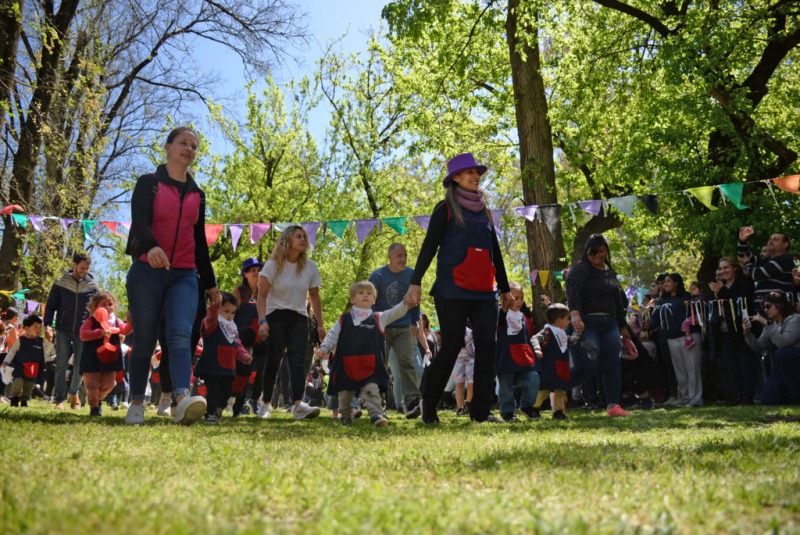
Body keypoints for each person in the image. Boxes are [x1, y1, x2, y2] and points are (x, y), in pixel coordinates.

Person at [404, 152, 512, 424]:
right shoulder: (446, 208)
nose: (475, 176)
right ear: (456, 178)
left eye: (477, 173)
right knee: (451, 346)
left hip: (484, 292)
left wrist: (505, 287)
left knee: (488, 346)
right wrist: (415, 282)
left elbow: (494, 252)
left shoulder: (485, 212)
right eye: (469, 173)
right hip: (452, 289)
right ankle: (428, 405)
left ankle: (481, 411)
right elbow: (429, 246)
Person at [124, 126, 219, 425]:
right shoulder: (148, 184)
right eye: (183, 143)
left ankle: (182, 400)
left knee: (180, 336)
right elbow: (138, 222)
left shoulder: (197, 195)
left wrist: (211, 284)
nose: (189, 149)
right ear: (167, 147)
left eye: (194, 145)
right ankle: (136, 402)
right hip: (146, 272)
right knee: (145, 339)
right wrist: (151, 247)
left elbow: (200, 242)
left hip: (184, 275)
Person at [256, 225, 326, 420]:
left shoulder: (310, 266)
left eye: (304, 236)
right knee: (273, 360)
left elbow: (314, 296)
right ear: (287, 240)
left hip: (299, 318)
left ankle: (298, 405)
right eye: (298, 236)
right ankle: (266, 403)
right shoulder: (272, 265)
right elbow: (261, 297)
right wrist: (262, 321)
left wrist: (320, 324)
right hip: (275, 316)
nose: (303, 239)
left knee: (297, 361)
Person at [317, 281, 409, 426]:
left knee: (372, 390)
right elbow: (332, 335)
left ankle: (376, 415)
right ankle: (346, 415)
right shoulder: (344, 319)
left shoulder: (379, 318)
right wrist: (324, 348)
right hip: (347, 365)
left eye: (369, 293)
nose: (365, 295)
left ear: (374, 299)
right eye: (360, 293)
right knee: (345, 394)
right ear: (352, 299)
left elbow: (395, 312)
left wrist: (406, 303)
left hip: (370, 365)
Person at [565, 234, 632, 417]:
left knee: (612, 364)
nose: (598, 255)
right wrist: (575, 314)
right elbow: (573, 292)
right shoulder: (579, 270)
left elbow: (618, 300)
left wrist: (623, 327)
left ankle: (613, 405)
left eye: (602, 251)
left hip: (610, 323)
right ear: (587, 251)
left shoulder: (609, 272)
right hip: (587, 324)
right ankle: (561, 387)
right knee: (588, 362)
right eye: (593, 251)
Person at [369, 243, 426, 418]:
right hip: (382, 328)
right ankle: (378, 406)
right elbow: (369, 302)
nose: (403, 259)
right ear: (390, 257)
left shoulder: (411, 274)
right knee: (380, 366)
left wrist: (415, 322)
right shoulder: (377, 276)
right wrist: (372, 325)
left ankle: (412, 402)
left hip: (403, 327)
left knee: (407, 364)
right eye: (399, 255)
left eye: (405, 255)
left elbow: (416, 299)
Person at [43, 252, 98, 410]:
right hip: (62, 328)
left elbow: (97, 308)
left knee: (80, 365)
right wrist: (47, 324)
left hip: (82, 330)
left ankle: (73, 394)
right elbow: (51, 305)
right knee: (61, 364)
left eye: (87, 268)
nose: (84, 271)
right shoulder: (61, 282)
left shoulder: (92, 285)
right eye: (82, 267)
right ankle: (59, 399)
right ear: (73, 265)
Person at [194, 292, 254, 424]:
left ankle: (218, 409)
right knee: (214, 391)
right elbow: (210, 319)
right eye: (226, 311)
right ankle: (210, 412)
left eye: (233, 313)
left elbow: (237, 344)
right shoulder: (213, 322)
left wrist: (244, 356)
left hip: (228, 366)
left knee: (227, 391)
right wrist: (214, 307)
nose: (230, 315)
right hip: (213, 364)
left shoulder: (232, 327)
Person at [646, 274, 703, 407]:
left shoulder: (687, 297)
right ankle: (685, 397)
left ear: (676, 283)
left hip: (688, 337)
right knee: (680, 370)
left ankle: (696, 398)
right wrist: (648, 325)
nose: (664, 284)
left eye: (668, 281)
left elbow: (697, 313)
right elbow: (655, 319)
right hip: (671, 338)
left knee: (692, 368)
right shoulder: (661, 301)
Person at [709, 257, 758, 405]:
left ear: (735, 268)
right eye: (721, 268)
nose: (723, 271)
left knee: (745, 363)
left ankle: (748, 395)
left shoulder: (744, 282)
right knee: (732, 364)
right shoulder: (721, 284)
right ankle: (736, 394)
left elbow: (741, 301)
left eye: (726, 267)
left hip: (742, 328)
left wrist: (722, 291)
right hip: (725, 329)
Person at [78, 292, 133, 417]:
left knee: (110, 383)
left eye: (110, 304)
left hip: (110, 357)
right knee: (92, 383)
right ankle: (94, 407)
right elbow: (83, 334)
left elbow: (124, 329)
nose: (108, 307)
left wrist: (131, 323)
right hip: (92, 356)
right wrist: (99, 333)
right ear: (95, 306)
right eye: (104, 304)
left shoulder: (116, 320)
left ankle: (97, 399)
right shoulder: (91, 320)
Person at [743, 291, 800, 405]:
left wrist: (767, 324)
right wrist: (747, 334)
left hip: (796, 363)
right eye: (764, 307)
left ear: (780, 305)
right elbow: (758, 347)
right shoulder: (771, 324)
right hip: (782, 369)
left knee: (782, 353)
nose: (765, 310)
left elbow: (784, 342)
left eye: (768, 306)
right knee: (768, 400)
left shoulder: (795, 319)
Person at [495, 282, 540, 422]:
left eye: (521, 298)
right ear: (504, 298)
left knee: (533, 379)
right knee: (506, 388)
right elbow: (494, 326)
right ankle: (507, 413)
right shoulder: (499, 314)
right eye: (514, 298)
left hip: (524, 355)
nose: (518, 301)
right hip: (505, 356)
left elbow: (529, 335)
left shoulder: (524, 317)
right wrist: (502, 310)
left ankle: (526, 406)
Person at [530, 304, 580, 419]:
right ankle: (533, 408)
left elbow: (571, 341)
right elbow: (535, 338)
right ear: (559, 320)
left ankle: (558, 412)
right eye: (568, 319)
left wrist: (578, 331)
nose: (569, 321)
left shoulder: (562, 332)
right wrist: (537, 348)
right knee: (544, 390)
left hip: (562, 367)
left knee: (561, 390)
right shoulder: (548, 332)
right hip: (549, 367)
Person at [231, 257, 267, 416]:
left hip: (261, 338)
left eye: (259, 270)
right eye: (252, 270)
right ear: (245, 274)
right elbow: (229, 314)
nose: (257, 273)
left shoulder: (266, 292)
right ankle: (237, 402)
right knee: (242, 371)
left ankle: (254, 399)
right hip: (242, 340)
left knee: (260, 370)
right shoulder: (239, 292)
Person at [737, 226, 793, 309]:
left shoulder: (785, 259)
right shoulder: (767, 261)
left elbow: (757, 274)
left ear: (785, 244)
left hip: (777, 312)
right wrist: (743, 241)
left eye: (775, 239)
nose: (770, 242)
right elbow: (744, 256)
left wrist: (746, 263)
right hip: (763, 311)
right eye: (770, 239)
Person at [1, 315, 45, 407]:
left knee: (30, 385)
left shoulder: (41, 341)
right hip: (19, 366)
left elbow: (44, 354)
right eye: (35, 327)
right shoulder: (21, 340)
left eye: (40, 327)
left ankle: (24, 400)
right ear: (27, 328)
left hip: (33, 367)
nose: (38, 329)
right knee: (18, 382)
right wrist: (6, 362)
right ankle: (15, 398)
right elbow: (12, 352)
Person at [452, 326, 474, 416]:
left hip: (471, 356)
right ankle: (460, 408)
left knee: (472, 381)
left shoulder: (471, 330)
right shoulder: (452, 328)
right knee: (459, 383)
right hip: (457, 358)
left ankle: (468, 403)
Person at [0, 307, 20, 402]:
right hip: (6, 353)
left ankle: (3, 395)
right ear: (14, 316)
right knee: (4, 375)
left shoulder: (4, 324)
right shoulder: (11, 327)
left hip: (3, 351)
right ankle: (1, 395)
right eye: (17, 316)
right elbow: (15, 342)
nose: (17, 318)